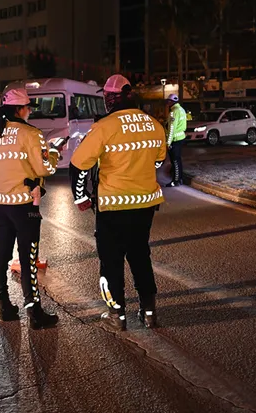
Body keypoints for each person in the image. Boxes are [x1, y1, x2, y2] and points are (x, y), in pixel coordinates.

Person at [70, 74, 167, 331]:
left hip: (113, 206)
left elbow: (79, 164)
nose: (106, 100)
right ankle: (149, 313)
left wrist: (80, 196)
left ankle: (117, 315)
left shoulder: (104, 127)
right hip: (145, 204)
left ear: (111, 98)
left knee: (111, 260)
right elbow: (158, 161)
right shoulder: (153, 124)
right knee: (140, 256)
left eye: (107, 96)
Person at [0, 87, 62, 329]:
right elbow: (44, 168)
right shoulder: (31, 134)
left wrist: (0, 193)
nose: (29, 112)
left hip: (2, 206)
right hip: (26, 205)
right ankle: (34, 312)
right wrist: (54, 154)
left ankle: (3, 306)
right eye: (28, 107)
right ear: (20, 109)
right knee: (28, 258)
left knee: (2, 254)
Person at [165, 94, 187, 187]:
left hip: (175, 139)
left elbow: (171, 129)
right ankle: (180, 179)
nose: (167, 103)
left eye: (168, 101)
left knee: (175, 161)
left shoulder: (174, 112)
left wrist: (168, 143)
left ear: (171, 102)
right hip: (181, 137)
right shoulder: (182, 110)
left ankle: (176, 181)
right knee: (178, 160)